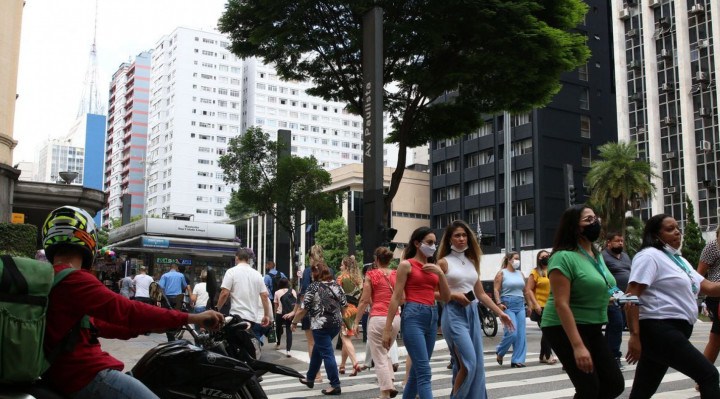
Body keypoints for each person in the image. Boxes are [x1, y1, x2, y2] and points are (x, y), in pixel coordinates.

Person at [39, 205, 224, 398]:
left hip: (61, 374)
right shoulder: (76, 279)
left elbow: (98, 325)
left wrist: (147, 327)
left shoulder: (49, 279)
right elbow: (128, 311)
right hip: (84, 374)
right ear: (89, 239)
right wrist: (193, 318)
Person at [625, 214, 720, 398]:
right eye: (670, 229)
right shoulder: (649, 256)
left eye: (677, 228)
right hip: (659, 329)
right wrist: (634, 336)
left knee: (642, 392)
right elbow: (631, 297)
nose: (677, 232)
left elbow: (708, 287)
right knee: (708, 375)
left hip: (673, 330)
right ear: (655, 236)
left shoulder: (679, 260)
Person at [540, 205, 624, 399]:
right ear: (574, 227)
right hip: (562, 327)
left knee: (613, 384)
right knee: (589, 388)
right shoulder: (562, 257)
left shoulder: (596, 255)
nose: (595, 223)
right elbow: (562, 303)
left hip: (592, 325)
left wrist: (611, 299)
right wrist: (577, 346)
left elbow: (593, 286)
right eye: (588, 220)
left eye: (595, 218)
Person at [438, 220, 513, 398]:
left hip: (472, 313)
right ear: (449, 239)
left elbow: (481, 294)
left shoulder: (471, 262)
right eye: (457, 235)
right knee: (468, 363)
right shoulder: (442, 263)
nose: (462, 238)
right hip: (453, 313)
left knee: (474, 364)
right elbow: (431, 292)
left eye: (464, 235)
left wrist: (500, 313)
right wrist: (454, 295)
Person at [382, 226, 451, 399]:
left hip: (432, 314)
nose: (433, 246)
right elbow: (396, 297)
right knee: (424, 372)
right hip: (413, 315)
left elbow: (446, 297)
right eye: (429, 242)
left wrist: (441, 275)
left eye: (435, 243)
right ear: (417, 243)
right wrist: (387, 329)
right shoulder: (406, 265)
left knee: (416, 372)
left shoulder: (434, 267)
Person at [352, 247, 402, 399]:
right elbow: (403, 298)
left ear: (376, 260)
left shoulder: (371, 274)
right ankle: (390, 385)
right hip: (396, 318)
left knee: (379, 357)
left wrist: (356, 322)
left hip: (378, 318)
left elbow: (364, 300)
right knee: (384, 353)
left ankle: (384, 393)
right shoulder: (395, 274)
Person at [292, 261, 346, 395]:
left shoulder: (313, 287)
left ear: (316, 273)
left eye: (311, 272)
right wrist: (344, 322)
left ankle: (335, 384)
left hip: (320, 325)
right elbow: (344, 305)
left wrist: (294, 322)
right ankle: (310, 378)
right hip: (335, 324)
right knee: (318, 350)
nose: (310, 275)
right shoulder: (336, 286)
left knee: (327, 353)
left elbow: (303, 310)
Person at [284, 244, 329, 382]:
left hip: (310, 312)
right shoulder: (329, 270)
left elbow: (302, 295)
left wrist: (295, 312)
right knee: (325, 344)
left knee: (312, 343)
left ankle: (317, 374)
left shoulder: (308, 271)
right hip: (326, 312)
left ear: (310, 257)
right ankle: (328, 373)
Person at [216, 248, 273, 342]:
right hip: (252, 318)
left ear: (236, 258)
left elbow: (224, 293)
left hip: (236, 317)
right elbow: (264, 296)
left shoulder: (231, 272)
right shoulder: (257, 274)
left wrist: (217, 309)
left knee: (234, 344)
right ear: (248, 259)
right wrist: (266, 315)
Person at [601, 232, 632, 370]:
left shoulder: (625, 256)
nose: (620, 243)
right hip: (611, 297)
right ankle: (614, 357)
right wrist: (618, 295)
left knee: (619, 326)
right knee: (616, 324)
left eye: (621, 241)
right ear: (609, 243)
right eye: (617, 241)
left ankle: (607, 356)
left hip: (627, 296)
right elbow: (604, 278)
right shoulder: (603, 256)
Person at [493, 251, 528, 368]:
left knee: (521, 334)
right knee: (512, 333)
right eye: (515, 258)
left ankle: (517, 360)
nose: (517, 261)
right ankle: (500, 351)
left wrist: (530, 304)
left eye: (518, 259)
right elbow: (496, 290)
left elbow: (526, 290)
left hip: (520, 304)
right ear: (509, 260)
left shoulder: (520, 274)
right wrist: (498, 303)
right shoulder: (502, 273)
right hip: (507, 304)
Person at [525, 250, 556, 365]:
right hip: (540, 306)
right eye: (543, 256)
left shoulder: (552, 270)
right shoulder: (535, 272)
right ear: (538, 259)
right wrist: (535, 304)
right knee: (548, 331)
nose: (546, 258)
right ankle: (548, 355)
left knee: (548, 331)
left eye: (547, 256)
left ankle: (542, 355)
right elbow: (528, 290)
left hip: (552, 305)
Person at [336, 255, 364, 376]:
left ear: (346, 266)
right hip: (355, 309)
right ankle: (342, 366)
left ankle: (355, 363)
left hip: (345, 310)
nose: (340, 266)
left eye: (341, 264)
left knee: (345, 338)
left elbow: (336, 295)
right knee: (347, 337)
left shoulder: (341, 278)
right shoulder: (358, 278)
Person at [698, 228, 720, 371]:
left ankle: (703, 377)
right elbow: (699, 274)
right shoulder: (712, 246)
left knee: (716, 337)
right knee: (716, 338)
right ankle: (703, 377)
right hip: (717, 297)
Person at [273, 277, 296, 357]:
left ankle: (278, 344)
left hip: (280, 313)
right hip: (290, 313)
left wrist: (275, 314)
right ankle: (288, 350)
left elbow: (276, 305)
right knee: (289, 331)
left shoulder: (277, 292)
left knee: (278, 329)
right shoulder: (293, 291)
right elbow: (295, 303)